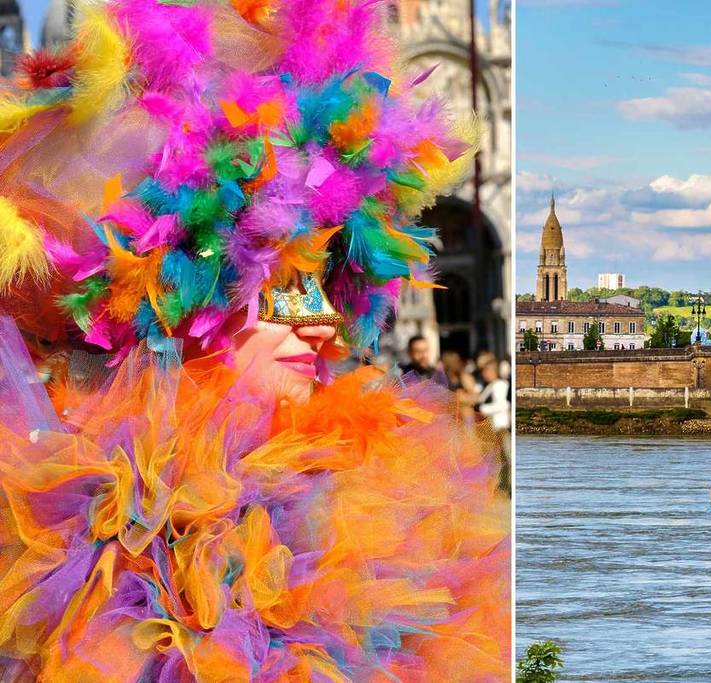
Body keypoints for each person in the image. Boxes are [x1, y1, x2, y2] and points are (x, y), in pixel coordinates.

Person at [0, 1, 509, 680]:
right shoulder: (76, 534)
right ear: (189, 293)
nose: (320, 322)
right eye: (283, 279)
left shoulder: (387, 509)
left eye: (326, 281)